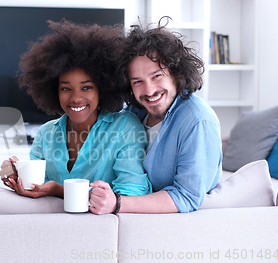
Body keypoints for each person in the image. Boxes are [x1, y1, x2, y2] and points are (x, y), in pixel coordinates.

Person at [0, 20, 151, 211]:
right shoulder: (46, 133)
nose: (76, 98)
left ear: (101, 89)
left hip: (104, 230)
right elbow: (37, 190)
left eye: (86, 87)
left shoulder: (124, 128)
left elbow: (131, 194)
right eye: (66, 88)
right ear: (54, 91)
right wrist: (18, 176)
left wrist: (58, 190)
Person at [91, 18, 223, 214]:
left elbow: (186, 197)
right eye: (137, 81)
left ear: (176, 74)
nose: (149, 90)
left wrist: (118, 203)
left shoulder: (198, 120)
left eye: (157, 76)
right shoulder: (134, 113)